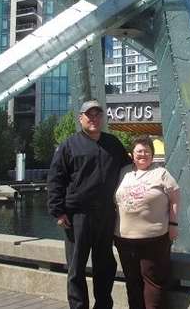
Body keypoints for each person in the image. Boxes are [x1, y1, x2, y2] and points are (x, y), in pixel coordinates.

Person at [47, 100, 131, 309]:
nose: (94, 119)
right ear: (81, 118)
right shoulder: (69, 145)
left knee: (106, 265)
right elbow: (55, 179)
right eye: (89, 115)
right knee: (76, 267)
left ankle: (103, 306)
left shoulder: (113, 143)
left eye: (98, 115)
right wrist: (58, 211)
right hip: (77, 215)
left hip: (106, 214)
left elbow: (128, 171)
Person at [114, 135, 180, 309]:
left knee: (154, 282)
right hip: (124, 238)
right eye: (138, 151)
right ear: (132, 154)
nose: (142, 154)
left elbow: (175, 197)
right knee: (132, 281)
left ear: (152, 153)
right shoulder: (123, 172)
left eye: (146, 151)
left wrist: (173, 224)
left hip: (154, 238)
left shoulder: (161, 173)